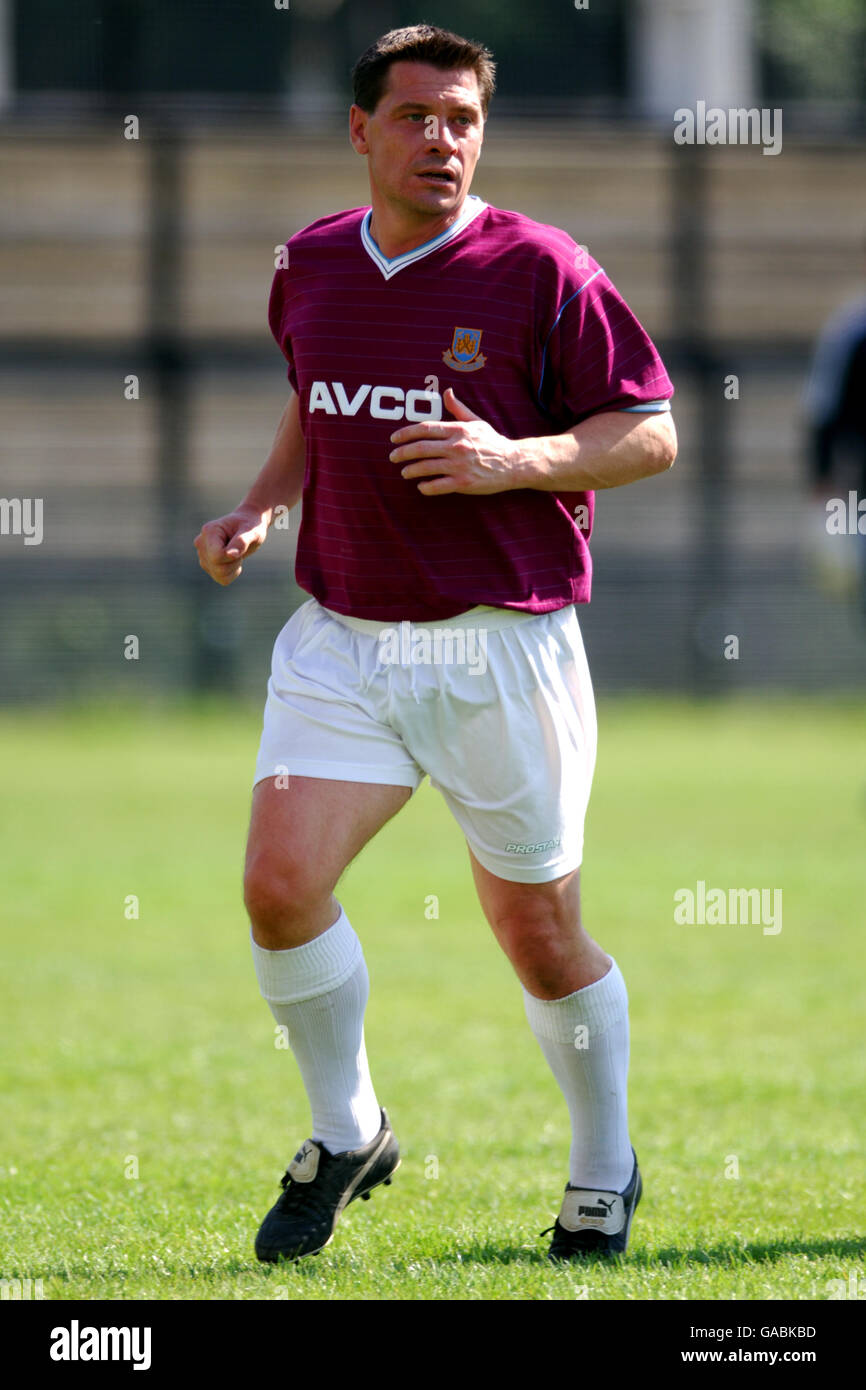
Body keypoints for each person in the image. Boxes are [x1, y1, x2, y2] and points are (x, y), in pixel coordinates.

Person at [194, 23, 676, 1265]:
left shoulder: (543, 269)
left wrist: (516, 460)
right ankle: (347, 1129)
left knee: (536, 928)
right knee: (277, 885)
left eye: (462, 119)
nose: (441, 142)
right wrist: (261, 504)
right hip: (343, 639)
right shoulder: (309, 264)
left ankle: (600, 1163)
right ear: (360, 130)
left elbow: (647, 433)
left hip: (496, 646)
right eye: (415, 118)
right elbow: (318, 397)